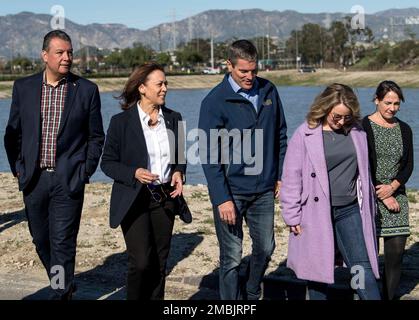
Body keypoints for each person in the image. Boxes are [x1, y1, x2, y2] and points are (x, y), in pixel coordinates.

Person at [3, 30, 104, 299]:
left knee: (62, 242)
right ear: (44, 55)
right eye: (60, 52)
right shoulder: (23, 88)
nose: (67, 58)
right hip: (34, 180)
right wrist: (18, 168)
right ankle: (65, 283)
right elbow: (13, 133)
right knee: (41, 240)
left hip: (68, 179)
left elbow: (96, 137)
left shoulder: (86, 90)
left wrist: (85, 170)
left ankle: (59, 293)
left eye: (70, 52)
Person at [198, 39, 287, 300]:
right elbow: (209, 155)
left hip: (264, 190)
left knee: (266, 248)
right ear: (229, 65)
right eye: (243, 71)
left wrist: (280, 175)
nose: (250, 77)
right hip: (232, 192)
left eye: (253, 70)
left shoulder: (269, 91)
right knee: (231, 258)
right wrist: (221, 198)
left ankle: (250, 290)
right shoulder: (214, 101)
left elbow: (280, 135)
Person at [280, 83, 381, 300]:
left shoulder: (357, 131)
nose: (342, 121)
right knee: (317, 272)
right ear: (325, 108)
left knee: (361, 267)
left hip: (350, 209)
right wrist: (291, 215)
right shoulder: (304, 133)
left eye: (347, 116)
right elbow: (291, 177)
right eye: (337, 116)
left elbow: (364, 173)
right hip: (314, 212)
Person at [100, 62, 186, 300]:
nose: (165, 88)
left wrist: (179, 172)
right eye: (159, 84)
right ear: (142, 88)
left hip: (165, 198)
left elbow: (180, 157)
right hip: (133, 199)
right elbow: (107, 163)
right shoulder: (121, 122)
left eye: (166, 83)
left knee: (159, 264)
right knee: (141, 262)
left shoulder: (174, 118)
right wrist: (134, 172)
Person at [362, 81, 414, 300]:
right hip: (369, 195)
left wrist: (392, 188)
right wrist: (381, 194)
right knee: (367, 258)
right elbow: (361, 164)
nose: (392, 108)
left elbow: (408, 165)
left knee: (395, 257)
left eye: (396, 103)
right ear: (376, 100)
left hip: (396, 194)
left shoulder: (404, 129)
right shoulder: (362, 126)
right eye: (387, 103)